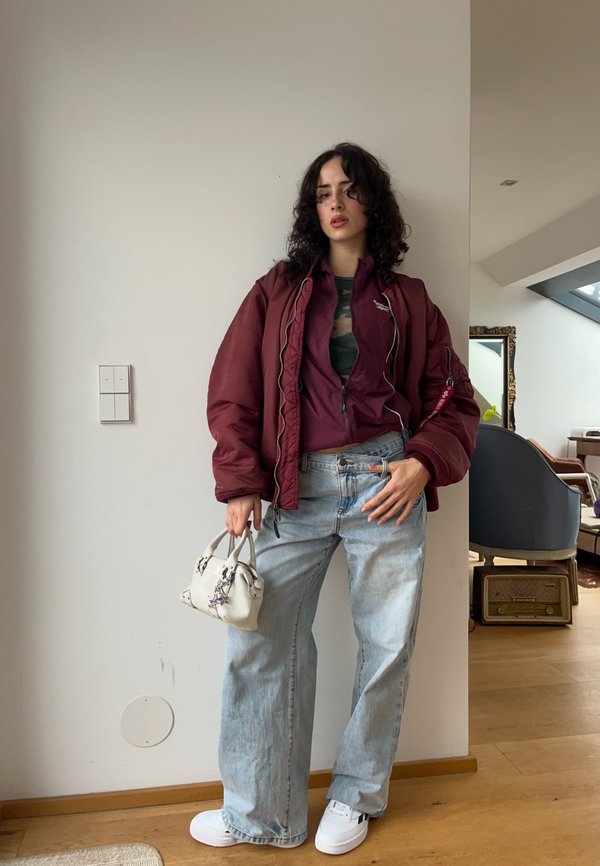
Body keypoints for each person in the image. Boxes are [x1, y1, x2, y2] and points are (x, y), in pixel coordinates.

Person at [191, 143, 480, 856]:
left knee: (386, 647)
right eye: (323, 192)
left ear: (371, 203)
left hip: (386, 483)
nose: (336, 202)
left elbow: (454, 400)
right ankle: (262, 813)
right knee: (260, 644)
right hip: (293, 487)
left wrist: (420, 464)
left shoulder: (409, 299)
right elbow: (235, 391)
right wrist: (241, 483)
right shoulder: (279, 289)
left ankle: (356, 795)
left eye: (349, 190)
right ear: (311, 208)